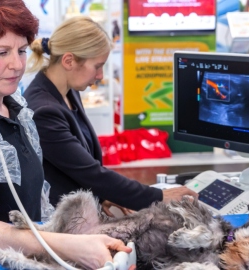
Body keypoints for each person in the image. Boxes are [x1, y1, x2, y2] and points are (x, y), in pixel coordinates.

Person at [0, 1, 133, 269]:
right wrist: (72, 247)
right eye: (1, 52)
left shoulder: (13, 105)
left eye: (21, 51)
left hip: (25, 251)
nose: (17, 65)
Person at [24, 16, 198, 216]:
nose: (100, 76)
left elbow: (79, 164)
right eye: (97, 66)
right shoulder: (43, 111)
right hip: (60, 221)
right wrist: (160, 197)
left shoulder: (68, 91)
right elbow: (90, 173)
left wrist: (106, 194)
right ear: (69, 61)